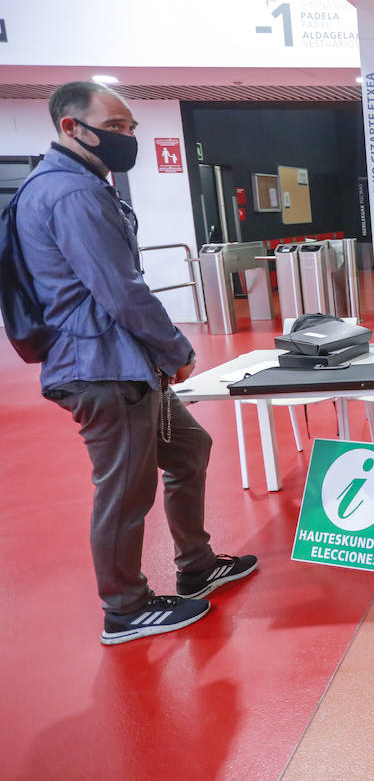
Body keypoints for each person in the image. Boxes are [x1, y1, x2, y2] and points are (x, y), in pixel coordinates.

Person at [16, 82, 256, 645]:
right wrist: (177, 349)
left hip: (126, 363)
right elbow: (121, 290)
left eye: (130, 127)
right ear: (71, 126)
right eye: (115, 126)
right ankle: (124, 608)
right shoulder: (71, 194)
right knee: (125, 490)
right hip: (101, 369)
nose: (127, 137)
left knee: (189, 449)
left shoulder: (79, 185)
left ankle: (196, 566)